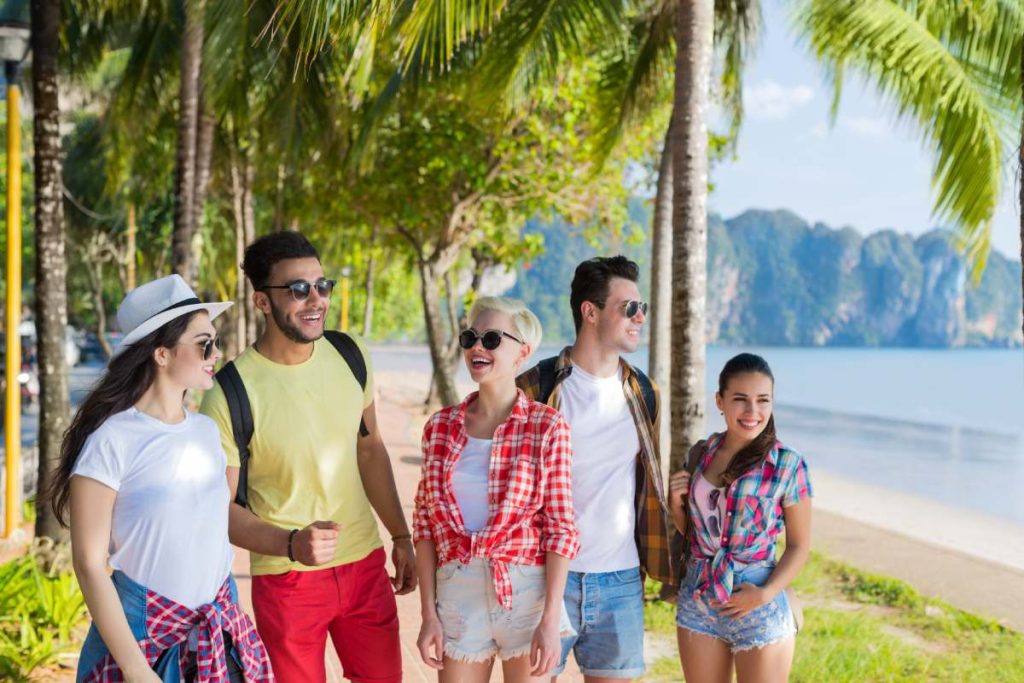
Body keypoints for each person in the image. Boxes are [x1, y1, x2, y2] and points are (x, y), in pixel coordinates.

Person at [199, 231, 414, 683]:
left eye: (321, 285)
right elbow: (218, 510)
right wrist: (292, 544)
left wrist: (400, 535)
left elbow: (369, 448)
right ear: (262, 301)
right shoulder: (230, 393)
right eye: (298, 289)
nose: (315, 299)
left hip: (365, 566)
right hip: (287, 579)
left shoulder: (350, 355)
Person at [48, 274, 273, 682]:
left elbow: (211, 530)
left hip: (216, 638)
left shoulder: (205, 432)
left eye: (215, 342)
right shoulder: (111, 441)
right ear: (162, 354)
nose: (215, 353)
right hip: (142, 645)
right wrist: (136, 670)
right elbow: (88, 564)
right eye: (204, 344)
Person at [517, 256, 674, 682]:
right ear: (591, 311)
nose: (640, 317)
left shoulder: (643, 391)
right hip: (544, 580)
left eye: (643, 308)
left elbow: (644, 483)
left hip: (620, 581)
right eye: (629, 308)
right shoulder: (536, 388)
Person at [414, 296, 579, 682]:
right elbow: (424, 527)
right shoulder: (439, 427)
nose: (477, 347)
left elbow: (561, 529)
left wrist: (550, 620)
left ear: (522, 352)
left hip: (526, 591)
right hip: (457, 588)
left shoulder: (547, 426)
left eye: (491, 339)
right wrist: (428, 615)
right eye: (471, 336)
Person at [668, 353, 812, 683]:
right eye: (740, 400)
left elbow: (800, 546)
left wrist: (764, 594)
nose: (752, 412)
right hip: (699, 600)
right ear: (719, 401)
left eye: (763, 401)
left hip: (758, 599)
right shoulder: (701, 454)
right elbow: (700, 538)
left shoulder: (788, 465)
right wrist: (677, 508)